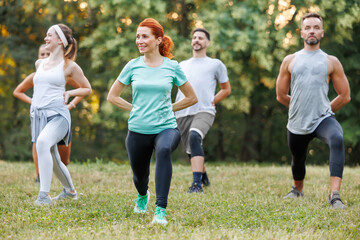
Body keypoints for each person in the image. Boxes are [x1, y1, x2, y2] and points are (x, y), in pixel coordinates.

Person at [107, 18, 197, 225]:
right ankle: (142, 195)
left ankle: (161, 211)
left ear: (158, 40)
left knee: (164, 150)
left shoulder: (172, 67)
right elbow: (113, 96)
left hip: (166, 127)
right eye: (138, 36)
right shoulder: (133, 66)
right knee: (140, 178)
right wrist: (135, 108)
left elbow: (192, 98)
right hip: (138, 129)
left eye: (144, 36)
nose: (139, 40)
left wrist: (168, 108)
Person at [276, 13, 350, 209]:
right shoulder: (289, 60)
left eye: (316, 27)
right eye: (307, 27)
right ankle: (297, 190)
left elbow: (345, 95)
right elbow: (281, 95)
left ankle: (335, 196)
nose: (312, 31)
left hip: (323, 119)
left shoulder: (331, 61)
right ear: (301, 33)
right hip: (297, 120)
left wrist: (324, 110)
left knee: (337, 138)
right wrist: (301, 108)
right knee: (298, 158)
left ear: (322, 33)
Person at [24, 24, 91, 205]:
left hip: (58, 116)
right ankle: (70, 191)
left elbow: (87, 88)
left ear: (60, 40)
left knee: (43, 143)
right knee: (53, 158)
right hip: (39, 116)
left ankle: (43, 196)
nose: (45, 39)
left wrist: (70, 94)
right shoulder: (39, 63)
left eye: (49, 36)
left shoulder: (69, 66)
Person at [13, 44, 82, 183]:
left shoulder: (63, 72)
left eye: (47, 54)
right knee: (38, 142)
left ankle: (61, 174)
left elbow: (83, 88)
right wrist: (33, 101)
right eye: (42, 54)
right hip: (39, 115)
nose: (45, 56)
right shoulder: (35, 76)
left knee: (64, 157)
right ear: (38, 57)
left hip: (59, 115)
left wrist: (71, 104)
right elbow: (17, 91)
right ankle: (40, 176)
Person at [174, 28, 231, 193]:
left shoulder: (215, 64)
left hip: (204, 110)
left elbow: (226, 89)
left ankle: (196, 185)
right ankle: (204, 177)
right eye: (194, 38)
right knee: (192, 148)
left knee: (194, 136)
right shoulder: (182, 65)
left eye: (200, 38)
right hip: (182, 112)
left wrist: (214, 100)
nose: (196, 40)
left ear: (207, 43)